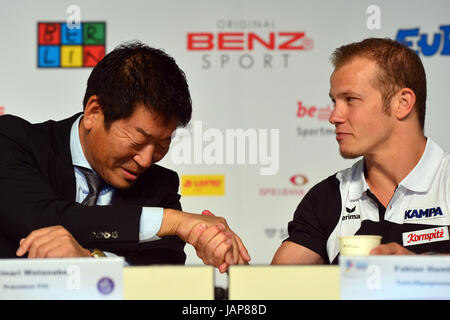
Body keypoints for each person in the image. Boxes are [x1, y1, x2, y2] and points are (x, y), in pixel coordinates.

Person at [0, 41, 249, 272]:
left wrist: (90, 261)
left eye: (162, 144)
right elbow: (45, 218)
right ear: (94, 112)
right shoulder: (13, 140)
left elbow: (160, 280)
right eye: (137, 141)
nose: (145, 160)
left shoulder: (160, 188)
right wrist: (175, 221)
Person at [272, 38, 450, 265]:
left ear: (402, 103)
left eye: (350, 99)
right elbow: (274, 289)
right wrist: (235, 262)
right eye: (334, 101)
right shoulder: (327, 197)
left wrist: (421, 270)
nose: (334, 116)